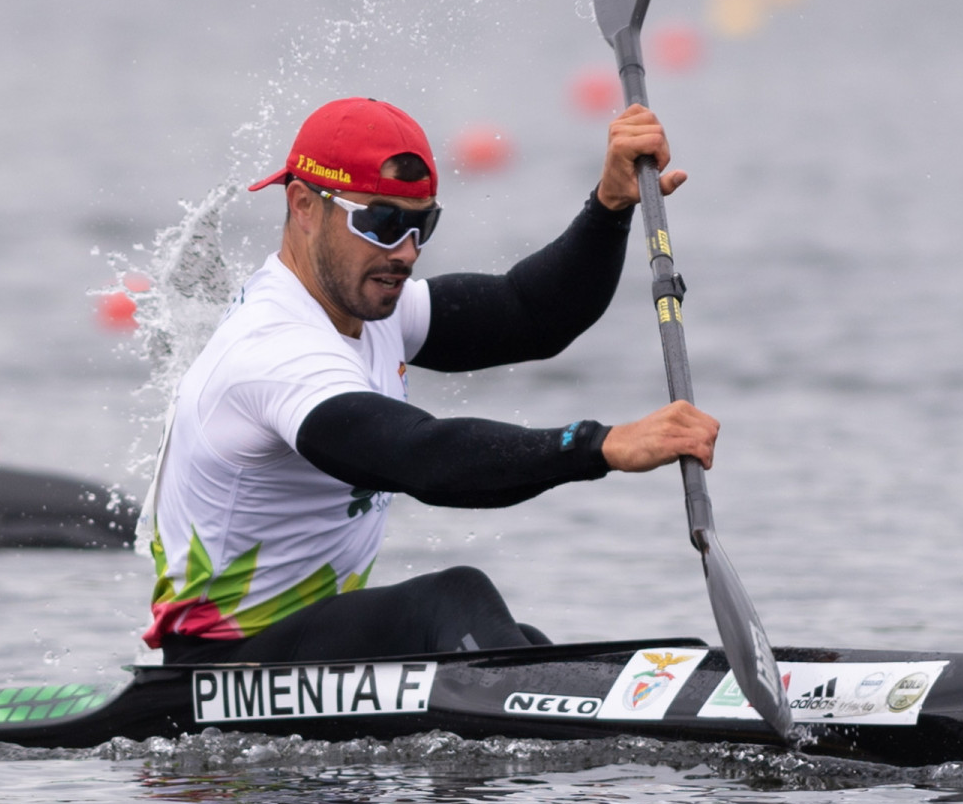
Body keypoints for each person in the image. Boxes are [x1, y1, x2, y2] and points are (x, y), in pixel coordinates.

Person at [139, 96, 718, 664]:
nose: (407, 252)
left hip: (303, 644)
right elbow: (420, 456)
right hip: (220, 668)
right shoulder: (274, 349)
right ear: (304, 206)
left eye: (422, 225)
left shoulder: (366, 305)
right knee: (452, 600)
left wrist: (610, 205)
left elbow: (532, 313)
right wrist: (601, 445)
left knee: (521, 642)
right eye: (383, 222)